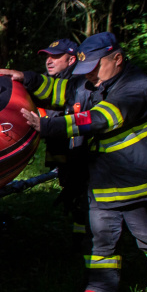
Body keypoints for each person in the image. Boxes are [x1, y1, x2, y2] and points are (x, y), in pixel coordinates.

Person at [0, 32, 147, 292]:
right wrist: (28, 78)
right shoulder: (91, 82)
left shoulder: (139, 88)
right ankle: (100, 291)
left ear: (118, 59)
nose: (90, 76)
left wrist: (51, 125)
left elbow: (103, 118)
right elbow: (61, 91)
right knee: (101, 237)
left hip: (143, 184)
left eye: (95, 69)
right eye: (85, 70)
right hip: (105, 181)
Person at [37, 38, 90, 250]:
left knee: (83, 194)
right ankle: (80, 235)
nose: (49, 61)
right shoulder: (52, 84)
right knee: (73, 191)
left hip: (82, 153)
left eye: (56, 56)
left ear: (71, 60)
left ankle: (85, 240)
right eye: (47, 56)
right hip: (67, 154)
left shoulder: (80, 84)